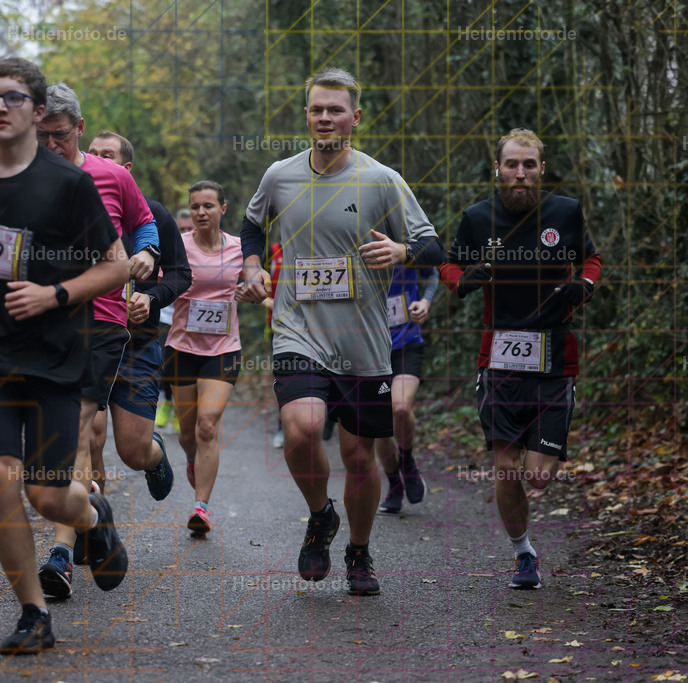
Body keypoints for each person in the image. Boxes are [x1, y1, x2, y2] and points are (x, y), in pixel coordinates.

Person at [0, 57, 129, 654]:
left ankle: (91, 516)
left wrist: (56, 293)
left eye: (12, 98)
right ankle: (34, 614)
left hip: (58, 359)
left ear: (38, 113)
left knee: (46, 493)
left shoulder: (69, 185)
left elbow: (114, 264)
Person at [238, 67, 445, 596]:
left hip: (365, 343)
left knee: (358, 456)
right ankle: (319, 514)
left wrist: (401, 251)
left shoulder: (382, 180)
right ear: (305, 115)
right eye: (316, 108)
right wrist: (253, 268)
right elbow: (252, 225)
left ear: (356, 117)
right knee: (302, 429)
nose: (325, 117)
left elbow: (434, 246)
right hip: (297, 330)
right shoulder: (279, 175)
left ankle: (358, 550)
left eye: (336, 109)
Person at [437, 128, 602, 590]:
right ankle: (523, 554)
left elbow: (592, 259)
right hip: (500, 361)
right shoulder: (477, 218)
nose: (520, 173)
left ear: (541, 169)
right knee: (505, 467)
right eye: (512, 165)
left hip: (554, 360)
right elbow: (449, 265)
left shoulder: (565, 212)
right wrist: (462, 279)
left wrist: (584, 286)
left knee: (540, 478)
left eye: (529, 165)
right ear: (498, 169)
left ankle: (527, 533)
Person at [33, 84, 159, 601]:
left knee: (80, 429)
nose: (49, 146)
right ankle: (93, 515)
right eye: (40, 137)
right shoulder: (19, 179)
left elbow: (146, 226)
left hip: (101, 322)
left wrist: (147, 258)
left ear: (78, 129)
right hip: (40, 324)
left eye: (59, 137)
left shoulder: (112, 176)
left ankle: (61, 553)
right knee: (50, 442)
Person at [83, 131, 191, 509]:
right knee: (89, 437)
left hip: (137, 344)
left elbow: (181, 273)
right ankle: (90, 523)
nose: (96, 160)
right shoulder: (71, 209)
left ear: (127, 169)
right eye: (91, 153)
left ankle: (154, 454)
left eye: (107, 155)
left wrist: (151, 296)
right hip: (89, 339)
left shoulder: (155, 215)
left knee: (132, 452)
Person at [164, 180, 242, 537]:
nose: (200, 213)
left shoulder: (240, 250)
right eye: (195, 206)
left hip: (224, 349)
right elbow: (160, 286)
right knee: (187, 433)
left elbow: (257, 283)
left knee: (208, 424)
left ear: (223, 208)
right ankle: (193, 459)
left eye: (208, 206)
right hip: (181, 349)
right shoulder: (176, 247)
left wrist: (254, 290)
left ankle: (201, 506)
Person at [377, 265, 439, 513]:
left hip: (406, 343)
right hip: (370, 348)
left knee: (401, 407)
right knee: (380, 426)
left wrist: (425, 301)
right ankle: (394, 485)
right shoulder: (356, 240)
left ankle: (407, 459)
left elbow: (432, 273)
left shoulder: (406, 242)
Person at [155, 208, 194, 435]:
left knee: (183, 366)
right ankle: (168, 404)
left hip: (194, 319)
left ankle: (180, 408)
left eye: (190, 228)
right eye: (182, 229)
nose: (186, 232)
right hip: (166, 316)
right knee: (165, 362)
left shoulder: (203, 249)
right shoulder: (165, 245)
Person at [263, 241, 284, 449]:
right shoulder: (272, 251)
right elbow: (254, 283)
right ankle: (282, 426)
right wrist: (267, 301)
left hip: (315, 325)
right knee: (284, 377)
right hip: (278, 326)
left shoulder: (315, 246)